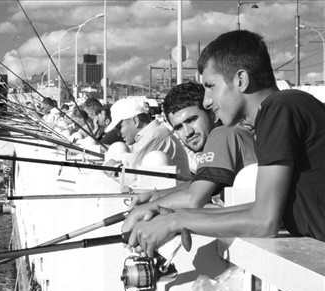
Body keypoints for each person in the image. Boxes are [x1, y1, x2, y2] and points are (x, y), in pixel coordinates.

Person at [122, 30, 325, 256]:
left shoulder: (278, 109)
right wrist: (170, 214)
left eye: (211, 86)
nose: (207, 101)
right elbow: (260, 210)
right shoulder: (284, 107)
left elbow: (264, 222)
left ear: (241, 80)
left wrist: (174, 222)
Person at [126, 81, 257, 221]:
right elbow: (202, 184)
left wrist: (144, 209)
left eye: (192, 120)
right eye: (179, 127)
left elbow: (194, 199)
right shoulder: (233, 133)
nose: (187, 132)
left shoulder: (222, 134)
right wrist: (156, 195)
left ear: (213, 114)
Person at [104, 98, 190, 176]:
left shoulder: (154, 136)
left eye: (120, 127)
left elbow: (132, 170)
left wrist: (115, 166)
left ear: (135, 121)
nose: (118, 133)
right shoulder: (154, 134)